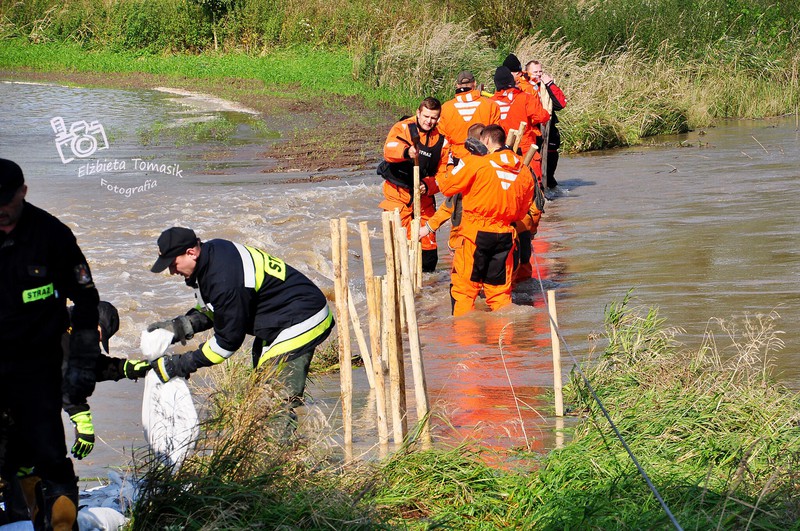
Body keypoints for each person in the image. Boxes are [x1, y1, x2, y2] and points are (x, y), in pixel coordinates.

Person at [147, 227, 335, 433]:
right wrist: (177, 329)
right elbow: (216, 310)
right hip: (279, 318)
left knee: (274, 401)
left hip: (302, 318)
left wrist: (182, 364)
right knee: (262, 390)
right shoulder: (213, 254)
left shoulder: (224, 279)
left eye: (173, 264)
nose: (172, 271)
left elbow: (227, 343)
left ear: (191, 252)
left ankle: (277, 462)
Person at [0, 158, 100, 530]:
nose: (1, 213)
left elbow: (87, 300)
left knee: (51, 462)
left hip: (37, 370)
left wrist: (83, 364)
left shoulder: (52, 235)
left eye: (6, 203)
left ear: (23, 192)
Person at [439, 125, 534, 316]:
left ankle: (466, 343)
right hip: (505, 237)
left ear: (487, 141)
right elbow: (522, 211)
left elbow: (446, 186)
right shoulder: (523, 170)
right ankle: (504, 341)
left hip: (476, 235)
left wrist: (449, 164)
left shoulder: (477, 163)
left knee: (464, 292)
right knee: (500, 295)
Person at [378, 97, 450, 272]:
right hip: (398, 192)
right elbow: (389, 149)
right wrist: (406, 151)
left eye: (433, 118)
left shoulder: (442, 139)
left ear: (438, 118)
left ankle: (428, 290)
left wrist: (429, 185)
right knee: (401, 242)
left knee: (428, 248)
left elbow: (445, 175)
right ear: (418, 113)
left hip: (423, 196)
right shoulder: (403, 127)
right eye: (425, 116)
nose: (428, 121)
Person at [421, 123, 488, 251]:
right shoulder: (503, 164)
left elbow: (448, 201)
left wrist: (428, 227)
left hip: (466, 237)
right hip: (496, 236)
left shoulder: (466, 166)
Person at [437, 70, 500, 164]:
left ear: (457, 85)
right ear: (474, 84)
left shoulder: (445, 108)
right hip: (483, 158)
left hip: (456, 158)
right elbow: (496, 135)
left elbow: (441, 139)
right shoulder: (491, 105)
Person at [525, 60, 567, 189]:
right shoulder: (525, 88)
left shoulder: (547, 86)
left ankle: (550, 188)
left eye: (540, 71)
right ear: (527, 73)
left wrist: (549, 83)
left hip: (549, 130)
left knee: (550, 165)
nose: (538, 74)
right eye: (535, 72)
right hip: (533, 131)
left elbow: (560, 104)